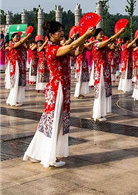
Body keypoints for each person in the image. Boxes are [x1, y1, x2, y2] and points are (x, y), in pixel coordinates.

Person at [24, 21, 94, 167]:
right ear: (51, 34)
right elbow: (72, 46)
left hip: (62, 87)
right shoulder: (50, 49)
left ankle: (37, 152)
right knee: (54, 120)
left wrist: (83, 42)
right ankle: (50, 157)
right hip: (57, 88)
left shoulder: (58, 47)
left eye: (63, 30)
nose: (62, 33)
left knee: (51, 121)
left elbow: (75, 51)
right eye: (59, 31)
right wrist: (85, 35)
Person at [92, 27, 124, 121]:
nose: (102, 35)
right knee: (100, 90)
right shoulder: (96, 44)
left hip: (105, 69)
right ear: (95, 36)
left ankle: (102, 113)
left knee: (104, 90)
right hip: (100, 69)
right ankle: (97, 114)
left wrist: (116, 43)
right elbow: (108, 41)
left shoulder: (103, 45)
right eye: (100, 34)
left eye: (103, 33)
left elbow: (112, 47)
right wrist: (118, 33)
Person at [6, 31, 31, 106]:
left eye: (18, 36)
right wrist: (26, 37)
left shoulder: (22, 45)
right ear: (12, 38)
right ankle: (13, 100)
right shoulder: (13, 44)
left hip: (22, 64)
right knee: (16, 81)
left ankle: (18, 99)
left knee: (20, 82)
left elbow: (27, 47)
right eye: (16, 36)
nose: (18, 37)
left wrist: (26, 41)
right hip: (15, 65)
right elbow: (18, 43)